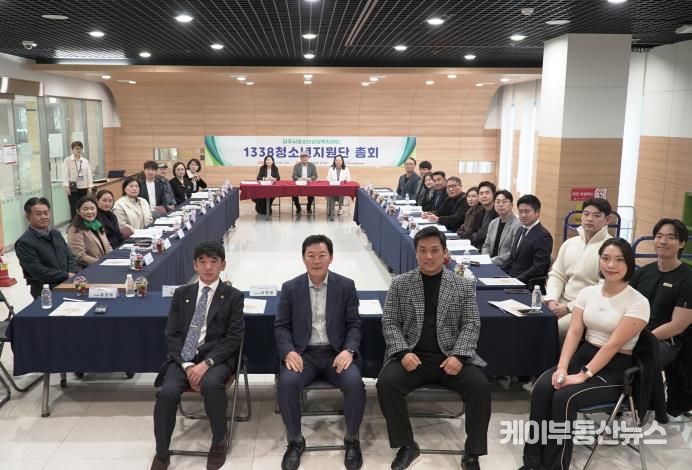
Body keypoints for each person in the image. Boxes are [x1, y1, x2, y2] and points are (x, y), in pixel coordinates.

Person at [521, 238, 649, 470]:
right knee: (542, 387)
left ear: (629, 264)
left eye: (619, 260)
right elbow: (574, 332)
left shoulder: (638, 302)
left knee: (564, 397)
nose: (611, 265)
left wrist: (583, 375)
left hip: (613, 369)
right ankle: (532, 463)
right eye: (606, 258)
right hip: (583, 356)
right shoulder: (588, 293)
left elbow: (612, 345)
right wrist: (562, 367)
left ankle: (555, 466)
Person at [377, 227, 491, 470]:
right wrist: (402, 353)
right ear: (416, 253)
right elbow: (390, 322)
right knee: (387, 383)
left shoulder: (462, 285)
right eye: (423, 250)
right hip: (413, 357)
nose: (428, 256)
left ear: (445, 253)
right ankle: (407, 445)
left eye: (434, 250)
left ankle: (472, 452)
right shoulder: (400, 284)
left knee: (480, 386)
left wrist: (459, 356)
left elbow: (471, 324)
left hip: (450, 357)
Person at [150, 241, 245, 470]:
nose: (208, 267)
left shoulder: (233, 296)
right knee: (167, 393)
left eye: (213, 261)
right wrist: (187, 365)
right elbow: (172, 334)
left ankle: (218, 442)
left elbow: (234, 337)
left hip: (216, 358)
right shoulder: (182, 294)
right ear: (195, 265)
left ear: (223, 265)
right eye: (202, 262)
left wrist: (206, 363)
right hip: (184, 359)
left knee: (212, 385)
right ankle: (161, 452)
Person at [275, 235, 365, 470]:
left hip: (336, 353)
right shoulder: (290, 288)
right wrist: (288, 352)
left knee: (354, 383)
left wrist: (349, 350)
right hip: (303, 354)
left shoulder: (345, 286)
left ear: (331, 258)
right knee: (287, 384)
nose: (316, 261)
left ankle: (352, 439)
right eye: (311, 255)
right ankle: (295, 441)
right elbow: (281, 325)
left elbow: (354, 324)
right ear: (303, 258)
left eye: (322, 255)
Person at [629, 218, 692, 416]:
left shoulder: (687, 279)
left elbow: (677, 325)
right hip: (634, 332)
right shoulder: (642, 272)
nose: (663, 241)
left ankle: (643, 407)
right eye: (659, 236)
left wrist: (641, 339)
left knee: (636, 357)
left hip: (666, 342)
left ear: (681, 243)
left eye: (671, 237)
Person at [544, 198, 612, 337]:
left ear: (607, 220)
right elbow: (557, 275)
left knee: (553, 329)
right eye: (586, 214)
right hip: (559, 302)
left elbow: (603, 289)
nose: (590, 219)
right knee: (528, 318)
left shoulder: (611, 248)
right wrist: (552, 300)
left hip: (587, 308)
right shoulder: (569, 244)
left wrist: (569, 307)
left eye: (596, 215)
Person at [15, 197, 76, 299]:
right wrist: (66, 275)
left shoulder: (55, 233)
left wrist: (72, 273)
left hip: (68, 282)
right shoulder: (24, 242)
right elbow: (37, 271)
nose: (44, 217)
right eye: (38, 214)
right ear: (28, 217)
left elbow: (70, 256)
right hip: (45, 290)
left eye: (46, 213)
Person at [501, 194, 553, 285]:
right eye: (520, 211)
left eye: (527, 211)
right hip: (510, 279)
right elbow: (512, 258)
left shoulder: (543, 236)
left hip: (526, 285)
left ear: (537, 212)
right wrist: (498, 272)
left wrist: (516, 280)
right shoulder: (520, 230)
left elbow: (539, 268)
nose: (523, 215)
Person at [66, 196, 113, 269]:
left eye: (92, 208)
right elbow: (80, 256)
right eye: (85, 209)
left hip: (105, 264)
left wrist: (113, 257)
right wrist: (101, 263)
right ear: (78, 211)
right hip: (89, 268)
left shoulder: (97, 225)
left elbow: (107, 245)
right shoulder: (75, 229)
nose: (90, 212)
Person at [481, 190, 520, 266]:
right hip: (488, 263)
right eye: (498, 202)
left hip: (505, 267)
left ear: (512, 205)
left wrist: (491, 261)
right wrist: (485, 259)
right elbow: (486, 245)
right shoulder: (493, 223)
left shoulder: (518, 225)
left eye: (504, 202)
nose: (501, 205)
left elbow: (513, 252)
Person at [62, 141, 94, 218]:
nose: (78, 150)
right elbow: (65, 174)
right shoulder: (67, 160)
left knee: (83, 205)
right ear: (72, 150)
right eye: (76, 148)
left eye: (80, 148)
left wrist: (90, 187)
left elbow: (89, 174)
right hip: (73, 187)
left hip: (83, 186)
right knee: (74, 206)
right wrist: (66, 187)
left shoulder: (85, 161)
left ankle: (84, 220)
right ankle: (75, 222)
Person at [467, 181, 497, 250]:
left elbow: (488, 236)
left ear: (494, 195)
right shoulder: (479, 212)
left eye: (487, 193)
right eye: (481, 193)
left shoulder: (497, 213)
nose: (484, 196)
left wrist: (478, 234)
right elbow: (471, 233)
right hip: (476, 247)